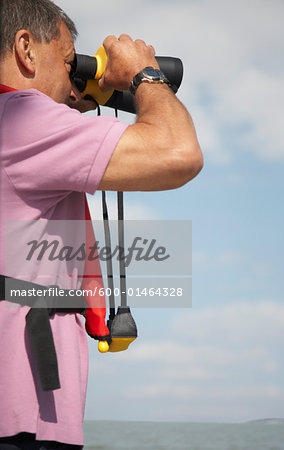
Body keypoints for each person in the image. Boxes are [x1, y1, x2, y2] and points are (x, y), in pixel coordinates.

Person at [0, 0, 203, 448]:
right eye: (69, 61)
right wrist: (144, 77)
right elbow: (179, 153)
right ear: (26, 49)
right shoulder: (23, 119)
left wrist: (87, 93)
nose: (75, 81)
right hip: (23, 412)